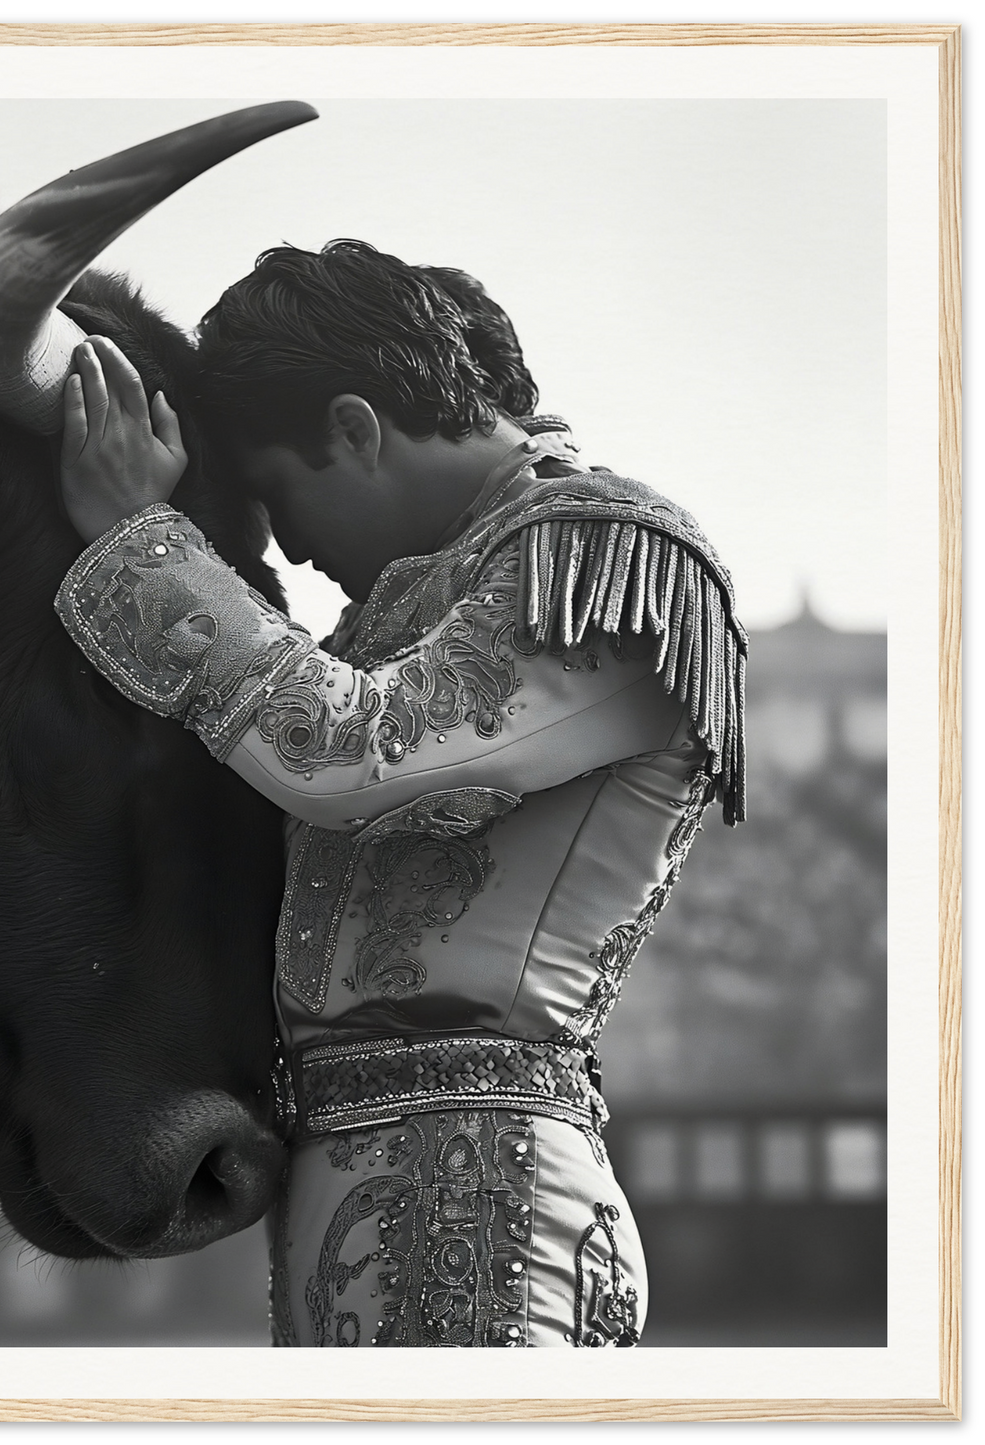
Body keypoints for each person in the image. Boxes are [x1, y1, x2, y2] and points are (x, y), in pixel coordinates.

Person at [52, 240, 746, 1347]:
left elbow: (350, 753)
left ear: (353, 426)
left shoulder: (603, 554)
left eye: (277, 494)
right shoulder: (415, 599)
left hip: (481, 1189)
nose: (285, 545)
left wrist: (144, 544)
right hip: (369, 1186)